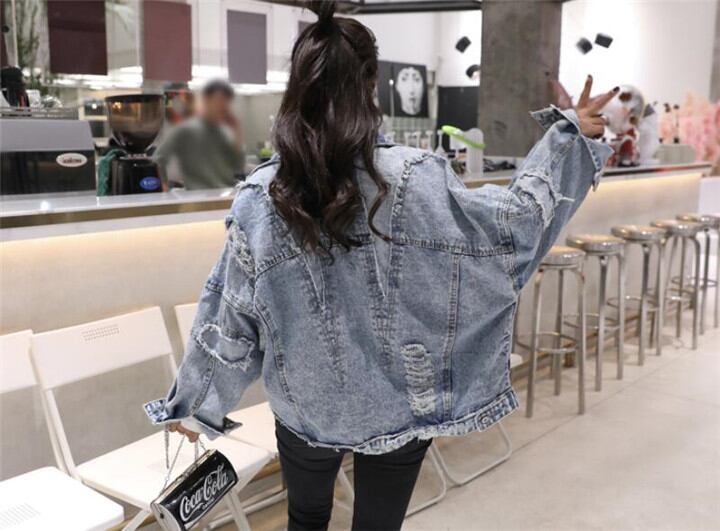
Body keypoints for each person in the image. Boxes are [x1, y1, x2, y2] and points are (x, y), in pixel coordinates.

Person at [144, 2, 617, 529]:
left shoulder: (262, 197)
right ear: (371, 84)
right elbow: (515, 229)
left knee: (305, 517)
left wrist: (196, 403)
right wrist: (569, 137)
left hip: (305, 405)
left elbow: (231, 316)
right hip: (402, 399)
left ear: (298, 86)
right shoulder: (418, 177)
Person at [154, 80, 244, 190]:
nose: (223, 106)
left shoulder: (222, 132)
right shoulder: (186, 129)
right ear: (206, 101)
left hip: (224, 193)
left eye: (226, 102)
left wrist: (236, 131)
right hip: (199, 194)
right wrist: (163, 186)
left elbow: (237, 165)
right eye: (218, 101)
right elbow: (159, 158)